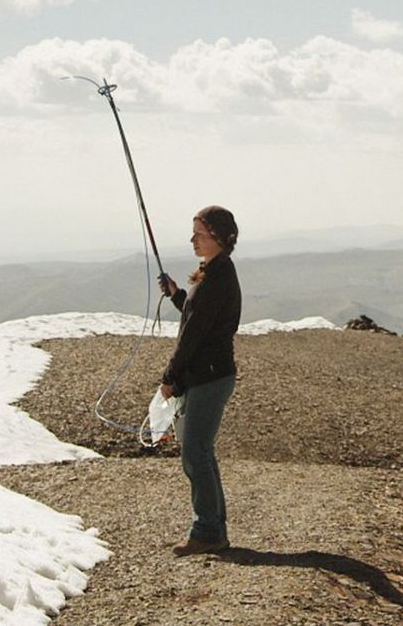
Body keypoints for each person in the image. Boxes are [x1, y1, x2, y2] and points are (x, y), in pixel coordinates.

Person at [157, 205, 241, 557]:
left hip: (208, 377)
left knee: (195, 452)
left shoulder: (217, 278)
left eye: (200, 234)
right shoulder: (215, 273)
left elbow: (193, 335)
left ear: (220, 238)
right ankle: (212, 528)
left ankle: (207, 531)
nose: (193, 239)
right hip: (211, 375)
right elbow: (198, 318)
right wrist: (178, 294)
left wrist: (171, 378)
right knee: (201, 452)